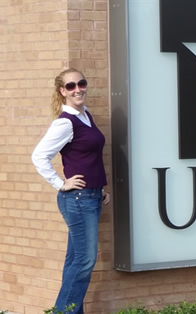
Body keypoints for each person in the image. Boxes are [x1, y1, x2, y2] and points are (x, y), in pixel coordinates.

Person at [32, 68, 111, 313]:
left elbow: (89, 158)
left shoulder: (86, 115)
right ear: (62, 91)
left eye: (81, 83)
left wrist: (99, 188)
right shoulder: (66, 122)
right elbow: (39, 156)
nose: (77, 89)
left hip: (91, 196)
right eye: (70, 86)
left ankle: (69, 311)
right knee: (85, 261)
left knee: (75, 261)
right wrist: (60, 183)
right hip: (77, 199)